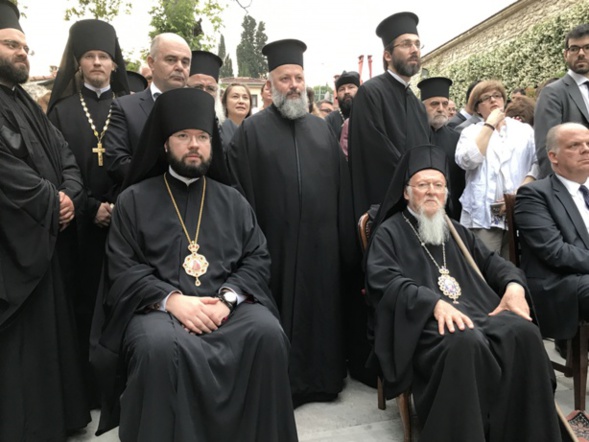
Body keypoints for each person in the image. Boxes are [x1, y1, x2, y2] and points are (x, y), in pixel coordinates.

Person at [90, 88, 298, 441]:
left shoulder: (232, 200)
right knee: (157, 348)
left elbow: (256, 256)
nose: (194, 144)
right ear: (165, 143)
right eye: (183, 136)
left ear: (211, 144)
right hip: (157, 310)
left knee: (267, 334)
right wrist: (173, 301)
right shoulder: (133, 200)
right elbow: (123, 268)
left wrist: (228, 300)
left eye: (202, 137)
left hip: (225, 305)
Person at [365, 144, 561, 441]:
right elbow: (384, 281)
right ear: (406, 192)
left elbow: (496, 264)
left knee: (524, 333)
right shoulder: (389, 232)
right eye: (423, 185)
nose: (432, 192)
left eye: (439, 185)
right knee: (464, 342)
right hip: (423, 323)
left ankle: (525, 432)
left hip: (477, 309)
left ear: (446, 192)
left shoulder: (456, 230)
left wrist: (514, 286)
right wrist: (432, 303)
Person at [227, 39, 356, 407]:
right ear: (270, 86)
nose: (295, 85)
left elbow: (340, 188)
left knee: (321, 313)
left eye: (299, 77)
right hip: (273, 246)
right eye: (286, 78)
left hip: (322, 246)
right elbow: (239, 196)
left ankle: (323, 380)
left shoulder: (321, 130)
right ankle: (283, 383)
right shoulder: (250, 132)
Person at [0, 1, 90, 439]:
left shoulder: (26, 102)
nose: (22, 53)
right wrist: (49, 200)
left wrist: (70, 193)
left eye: (25, 46)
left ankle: (57, 418)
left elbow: (65, 154)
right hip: (13, 244)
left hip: (45, 236)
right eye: (10, 44)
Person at [47, 18, 130, 408]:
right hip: (79, 228)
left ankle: (124, 385)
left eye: (104, 56)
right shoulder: (60, 112)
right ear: (78, 63)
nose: (98, 63)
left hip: (125, 225)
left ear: (115, 63)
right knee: (82, 303)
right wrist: (92, 207)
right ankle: (87, 392)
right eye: (90, 57)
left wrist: (118, 207)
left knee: (123, 303)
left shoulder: (131, 106)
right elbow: (54, 169)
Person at [348, 11, 430, 222]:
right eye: (406, 44)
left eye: (417, 44)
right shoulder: (370, 93)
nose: (414, 50)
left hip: (419, 204)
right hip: (387, 207)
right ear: (387, 55)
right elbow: (377, 154)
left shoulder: (418, 105)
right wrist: (416, 182)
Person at [515, 123, 589, 344]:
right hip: (560, 281)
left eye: (588, 144)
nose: (585, 149)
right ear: (553, 157)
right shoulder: (533, 195)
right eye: (575, 145)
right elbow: (554, 251)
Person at [455, 79, 538, 257]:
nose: (493, 100)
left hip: (517, 211)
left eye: (497, 96)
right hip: (483, 216)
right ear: (477, 108)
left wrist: (520, 191)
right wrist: (490, 125)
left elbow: (538, 163)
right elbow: (468, 161)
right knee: (486, 268)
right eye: (485, 98)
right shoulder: (470, 133)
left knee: (516, 264)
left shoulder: (524, 131)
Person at [104, 32, 191, 192]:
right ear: (151, 62)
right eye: (171, 60)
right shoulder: (125, 108)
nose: (179, 67)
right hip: (143, 205)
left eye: (185, 62)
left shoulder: (200, 109)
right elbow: (117, 163)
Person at [535, 23, 589, 178]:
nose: (581, 53)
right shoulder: (553, 93)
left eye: (587, 47)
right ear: (566, 54)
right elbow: (546, 151)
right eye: (574, 49)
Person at [417, 76, 464, 220]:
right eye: (434, 104)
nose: (441, 109)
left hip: (452, 212)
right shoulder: (413, 136)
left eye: (445, 104)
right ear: (422, 106)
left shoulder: (457, 138)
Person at [325, 70, 360, 143]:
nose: (346, 91)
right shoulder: (330, 120)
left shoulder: (369, 115)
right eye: (342, 89)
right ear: (337, 95)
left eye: (351, 87)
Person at [220, 82, 251, 150]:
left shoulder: (255, 130)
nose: (241, 101)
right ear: (225, 103)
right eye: (235, 97)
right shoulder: (218, 129)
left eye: (245, 97)